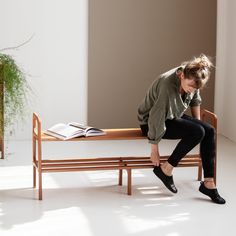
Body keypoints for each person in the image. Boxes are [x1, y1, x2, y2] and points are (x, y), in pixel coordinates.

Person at [137, 54, 226, 204]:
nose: (192, 90)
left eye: (195, 87)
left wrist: (198, 123)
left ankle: (208, 183)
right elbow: (155, 117)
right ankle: (166, 169)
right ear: (181, 75)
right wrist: (154, 151)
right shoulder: (167, 85)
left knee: (208, 130)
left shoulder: (194, 77)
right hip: (150, 122)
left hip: (172, 115)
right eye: (190, 86)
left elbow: (195, 100)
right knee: (198, 131)